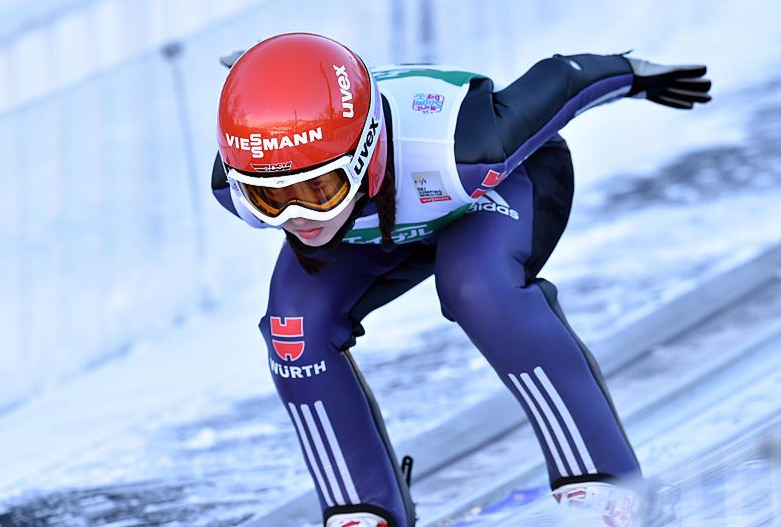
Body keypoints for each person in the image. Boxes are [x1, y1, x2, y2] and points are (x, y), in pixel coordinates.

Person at [210, 33, 711, 527]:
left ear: (367, 154)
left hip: (490, 189)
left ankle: (605, 485)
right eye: (268, 199)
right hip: (371, 221)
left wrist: (634, 75)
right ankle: (361, 510)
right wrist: (268, 74)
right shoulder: (238, 184)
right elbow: (287, 181)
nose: (297, 215)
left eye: (319, 189)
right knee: (293, 331)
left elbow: (559, 80)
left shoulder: (468, 147)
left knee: (477, 289)